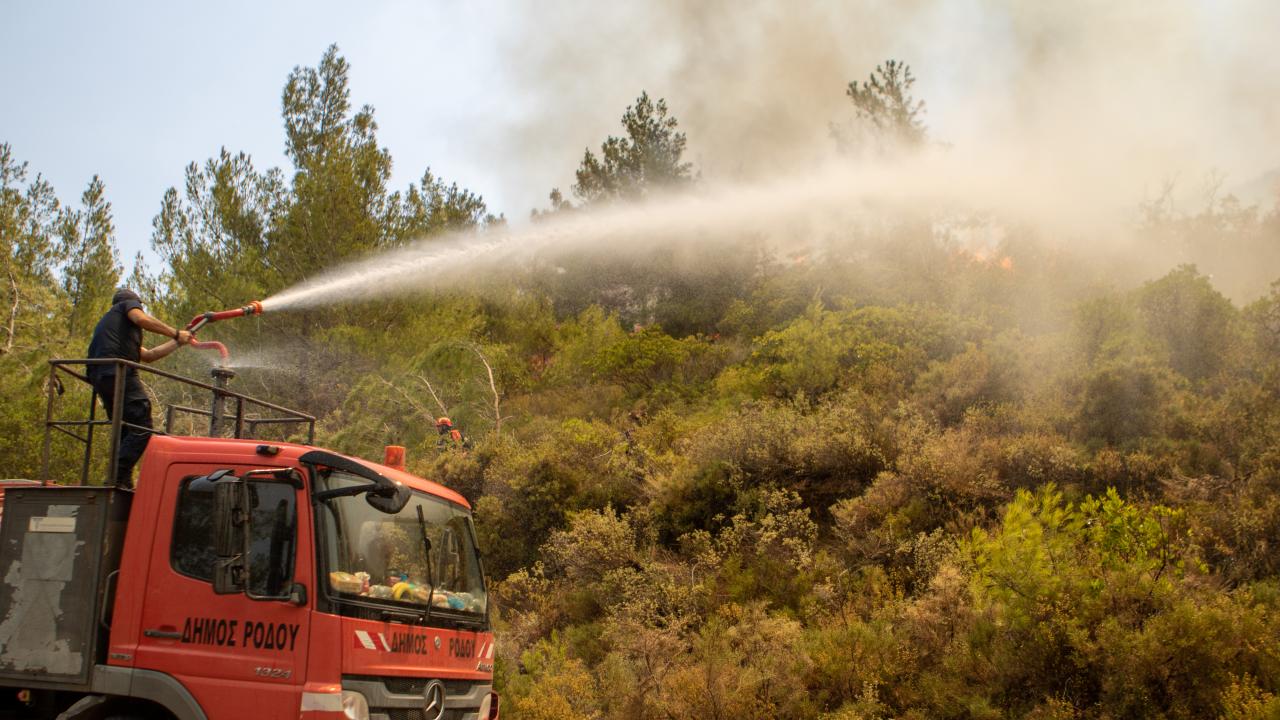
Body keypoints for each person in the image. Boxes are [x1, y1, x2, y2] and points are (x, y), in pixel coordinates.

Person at [86, 288, 192, 488]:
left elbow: (149, 355)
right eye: (140, 306)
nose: (140, 310)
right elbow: (141, 319)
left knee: (126, 429)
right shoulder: (126, 307)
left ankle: (121, 479)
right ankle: (116, 476)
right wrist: (176, 332)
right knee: (143, 427)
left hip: (102, 378)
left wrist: (178, 341)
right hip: (118, 371)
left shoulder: (114, 329)